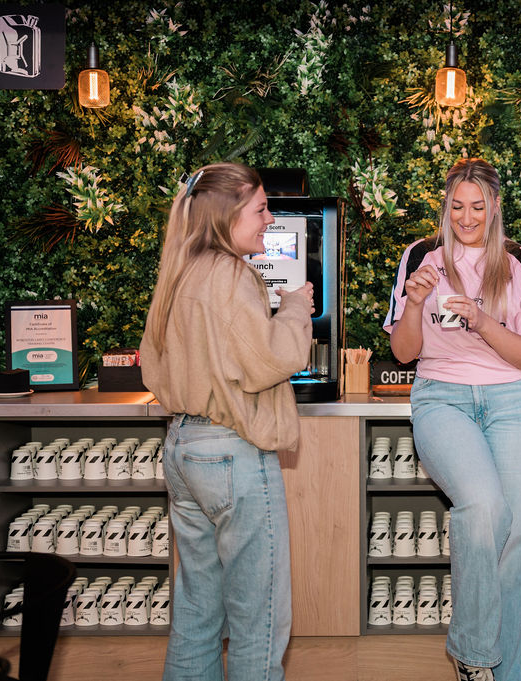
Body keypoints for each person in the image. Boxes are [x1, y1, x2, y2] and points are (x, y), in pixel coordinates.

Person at [383, 158, 521, 681]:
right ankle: (473, 653)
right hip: (443, 399)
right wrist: (414, 304)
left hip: (515, 403)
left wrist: (482, 320)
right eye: (457, 206)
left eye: (477, 207)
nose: (466, 218)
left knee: (508, 542)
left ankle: (500, 676)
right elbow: (403, 352)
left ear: (496, 206)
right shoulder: (420, 258)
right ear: (446, 206)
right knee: (484, 508)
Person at [140, 162, 314, 681]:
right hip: (231, 454)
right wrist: (294, 310)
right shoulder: (232, 273)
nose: (269, 218)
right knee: (258, 620)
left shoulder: (178, 269)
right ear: (229, 210)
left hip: (182, 449)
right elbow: (268, 362)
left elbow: (152, 365)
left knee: (197, 613)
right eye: (261, 208)